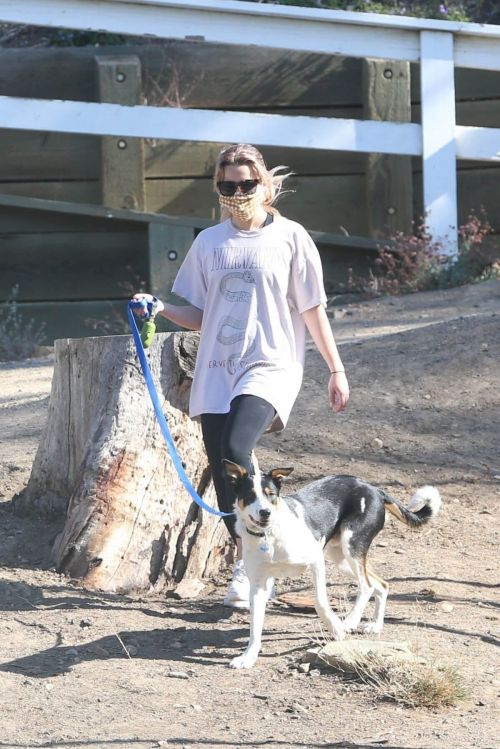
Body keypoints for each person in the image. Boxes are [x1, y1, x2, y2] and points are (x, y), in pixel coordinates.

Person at [132, 143, 349, 608]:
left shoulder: (291, 237)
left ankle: (255, 568)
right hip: (216, 369)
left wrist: (336, 368)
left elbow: (313, 310)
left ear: (265, 183)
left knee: (236, 447)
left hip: (271, 363)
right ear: (218, 188)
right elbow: (200, 314)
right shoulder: (209, 242)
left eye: (246, 183)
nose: (237, 192)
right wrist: (160, 306)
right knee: (228, 473)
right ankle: (249, 564)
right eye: (227, 185)